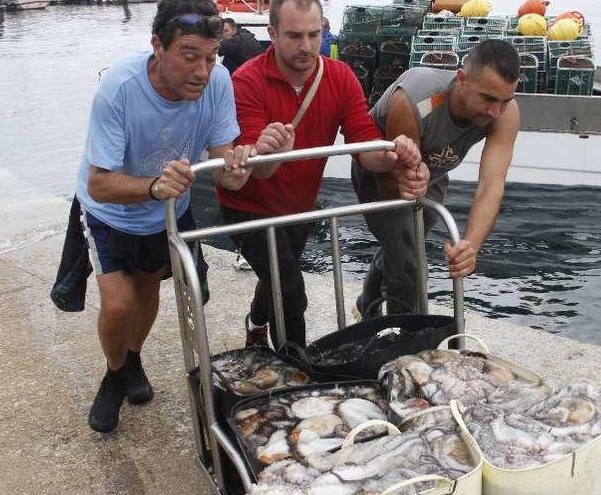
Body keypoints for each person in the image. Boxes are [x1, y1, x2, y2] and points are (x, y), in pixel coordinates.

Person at [75, 0, 257, 433]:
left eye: (210, 58)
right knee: (118, 305)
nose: (201, 71)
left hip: (168, 211)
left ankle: (133, 359)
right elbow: (100, 182)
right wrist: (154, 186)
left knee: (147, 286)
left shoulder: (218, 84)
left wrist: (244, 162)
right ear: (157, 45)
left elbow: (227, 174)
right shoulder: (119, 87)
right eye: (189, 55)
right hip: (110, 210)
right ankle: (113, 374)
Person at [216, 0, 429, 350]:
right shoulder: (247, 81)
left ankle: (255, 326)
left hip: (299, 205)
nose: (306, 46)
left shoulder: (340, 76)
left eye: (314, 35)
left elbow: (363, 146)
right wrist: (269, 151)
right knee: (290, 290)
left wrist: (395, 154)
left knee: (277, 280)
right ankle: (297, 369)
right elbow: (255, 171)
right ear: (272, 34)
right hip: (248, 207)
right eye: (294, 36)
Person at [351, 39, 521, 319]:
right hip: (381, 171)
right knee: (409, 258)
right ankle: (403, 337)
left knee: (406, 247)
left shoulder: (505, 112)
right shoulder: (416, 99)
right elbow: (394, 182)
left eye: (505, 100)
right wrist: (411, 178)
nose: (495, 112)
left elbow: (492, 186)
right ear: (462, 79)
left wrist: (470, 247)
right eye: (488, 98)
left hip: (434, 175)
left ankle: (367, 303)